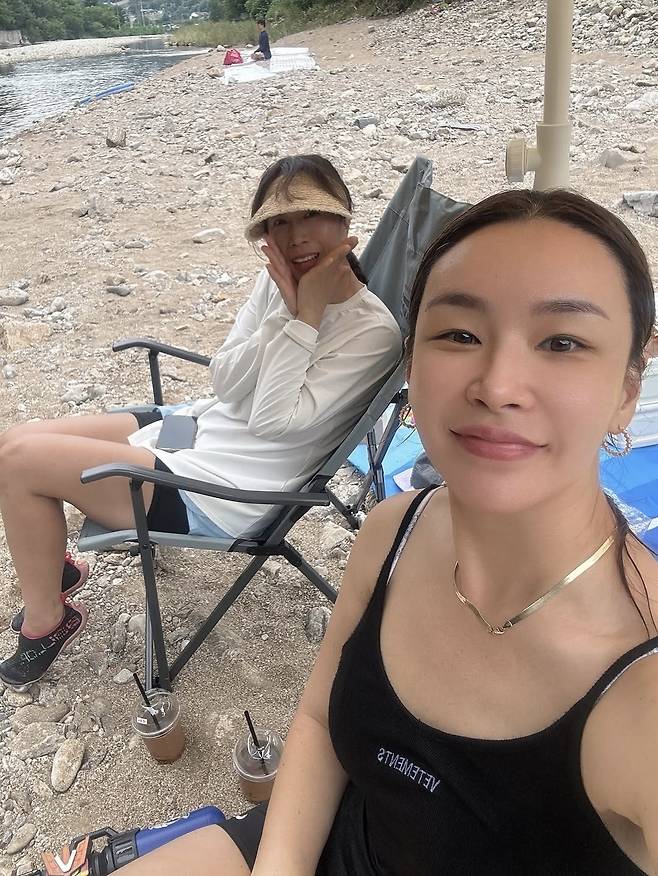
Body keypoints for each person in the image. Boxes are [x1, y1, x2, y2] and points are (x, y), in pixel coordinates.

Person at [117, 188, 658, 875]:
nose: (498, 385)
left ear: (628, 389)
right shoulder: (396, 530)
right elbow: (320, 722)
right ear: (412, 362)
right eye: (459, 334)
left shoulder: (643, 693)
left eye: (562, 342)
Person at [0, 154, 402, 689]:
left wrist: (305, 319)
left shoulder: (373, 334)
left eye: (310, 214)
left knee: (18, 463)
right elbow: (226, 383)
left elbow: (273, 421)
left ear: (344, 218)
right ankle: (58, 571)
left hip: (220, 489)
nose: (296, 236)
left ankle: (48, 621)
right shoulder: (279, 283)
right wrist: (285, 313)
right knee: (14, 440)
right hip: (195, 429)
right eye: (279, 222)